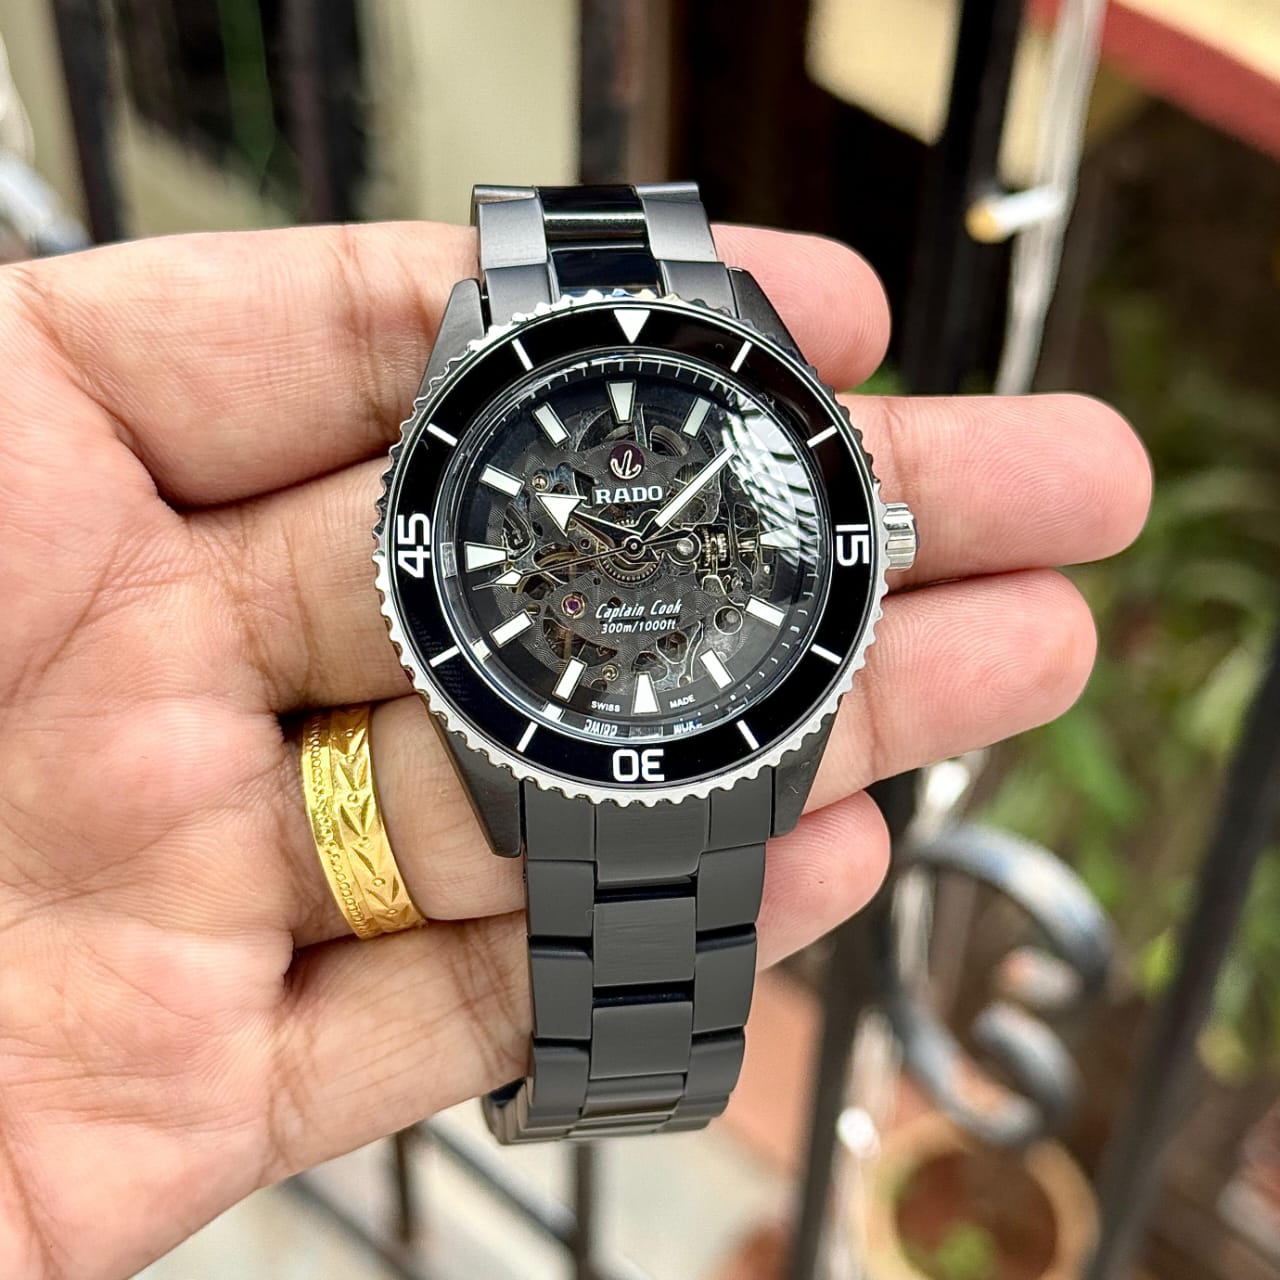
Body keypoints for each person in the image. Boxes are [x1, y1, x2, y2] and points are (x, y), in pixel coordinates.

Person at [0, 219, 1150, 1278]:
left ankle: (603, 1075)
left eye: (661, 525)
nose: (637, 542)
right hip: (569, 720)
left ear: (872, 539)